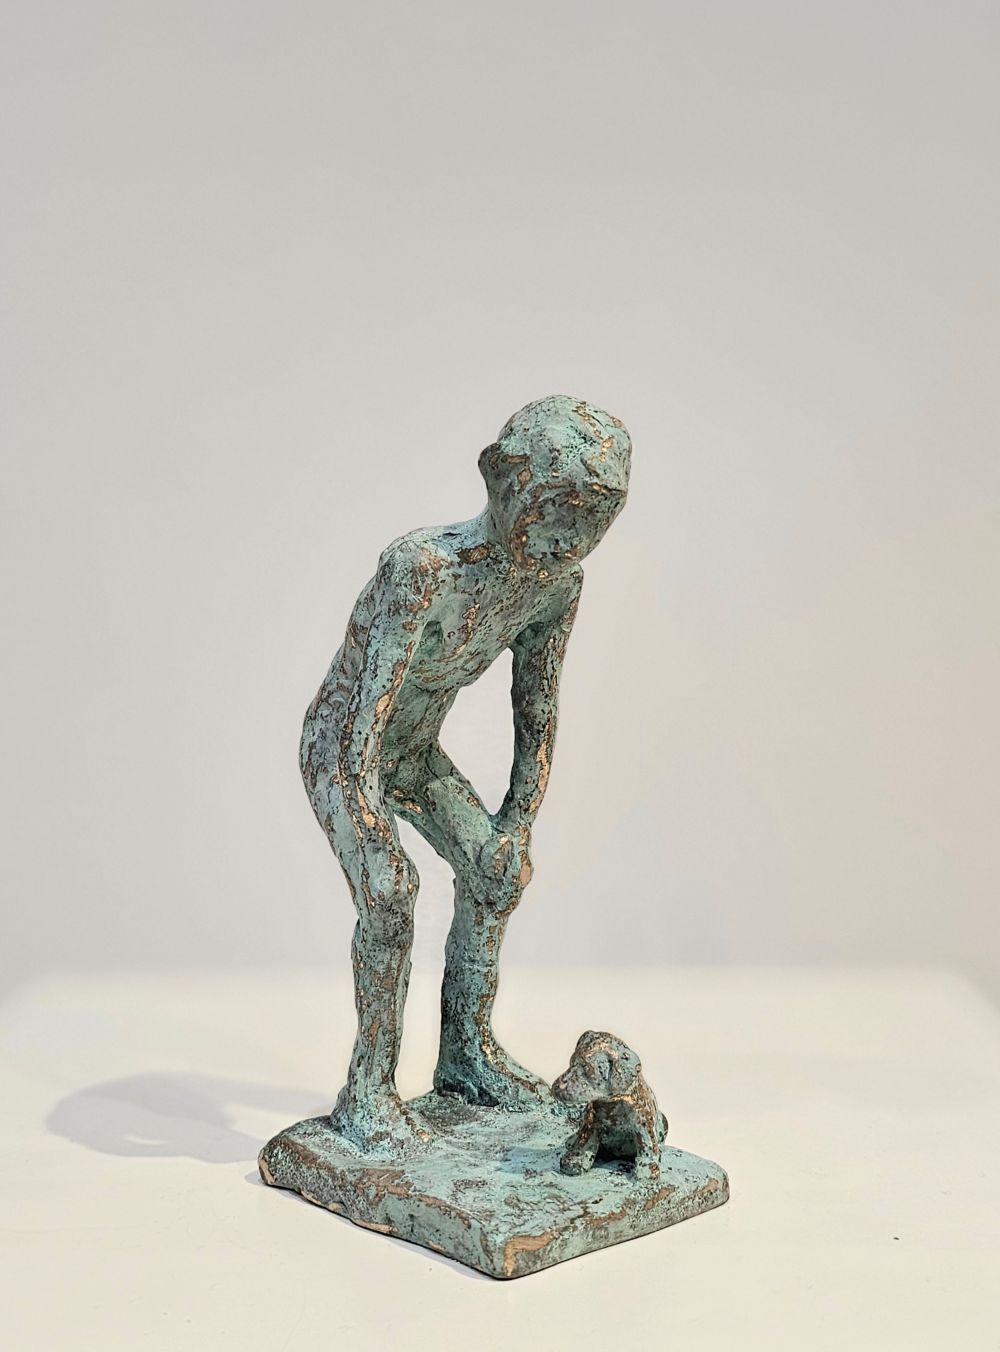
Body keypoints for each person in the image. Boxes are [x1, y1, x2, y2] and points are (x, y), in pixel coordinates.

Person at [300, 395, 631, 1151]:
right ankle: (368, 1094)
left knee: (495, 873)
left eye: (596, 518)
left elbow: (537, 710)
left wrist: (517, 824)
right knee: (391, 893)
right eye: (559, 506)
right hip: (343, 749)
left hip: (411, 754)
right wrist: (373, 833)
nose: (571, 536)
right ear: (501, 479)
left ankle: (466, 1055)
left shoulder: (555, 588)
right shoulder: (423, 569)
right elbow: (364, 716)